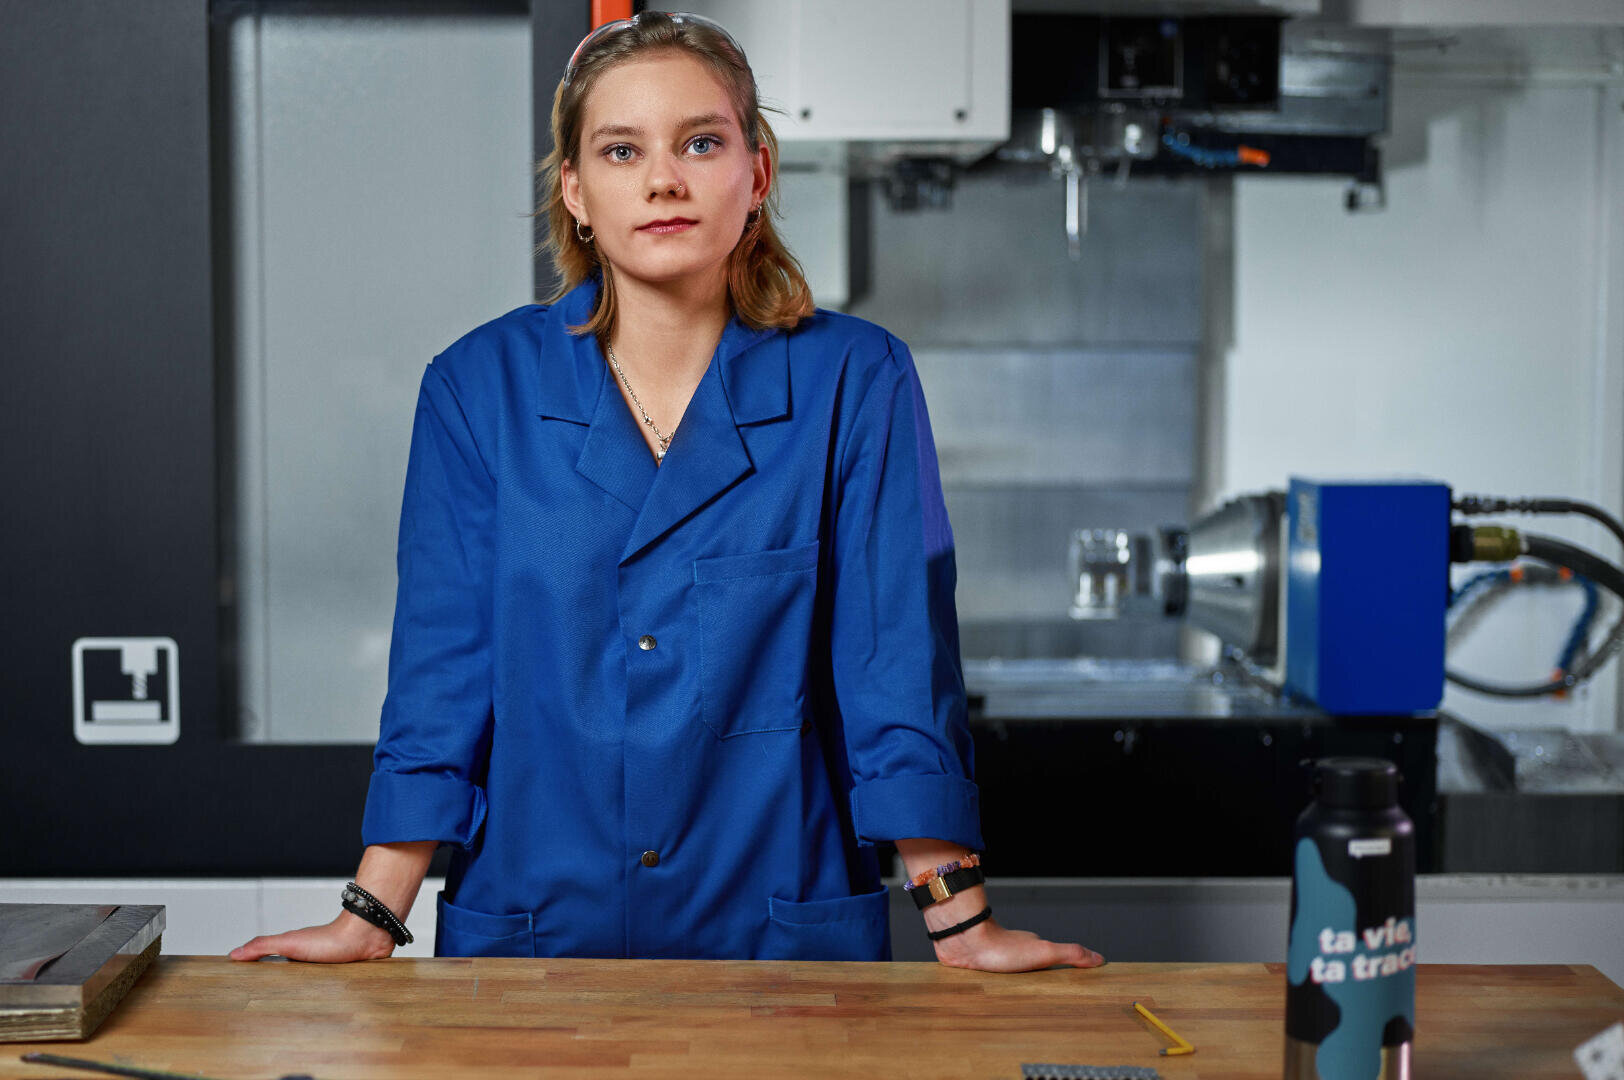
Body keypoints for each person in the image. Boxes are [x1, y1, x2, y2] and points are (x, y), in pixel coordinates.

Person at [231, 11, 1103, 972]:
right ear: (574, 189)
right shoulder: (478, 390)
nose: (662, 180)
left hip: (779, 938)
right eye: (620, 149)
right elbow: (444, 674)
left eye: (701, 142)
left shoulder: (857, 381)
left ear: (757, 174)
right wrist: (370, 914)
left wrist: (959, 921)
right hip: (536, 936)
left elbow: (895, 667)